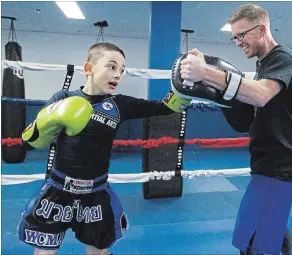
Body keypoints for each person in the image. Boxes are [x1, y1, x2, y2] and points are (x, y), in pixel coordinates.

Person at [18, 42, 191, 255]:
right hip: (58, 190)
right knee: (44, 252)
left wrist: (185, 88)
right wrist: (51, 119)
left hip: (95, 192)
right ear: (89, 69)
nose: (118, 75)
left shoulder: (120, 104)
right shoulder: (63, 98)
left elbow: (164, 107)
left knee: (99, 251)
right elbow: (29, 142)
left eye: (122, 70)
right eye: (111, 67)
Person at [176, 4, 292, 255]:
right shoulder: (263, 64)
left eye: (242, 34)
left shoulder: (282, 58)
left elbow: (261, 95)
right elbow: (246, 118)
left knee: (260, 240)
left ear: (263, 29)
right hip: (265, 161)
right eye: (234, 36)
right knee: (257, 230)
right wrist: (216, 92)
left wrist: (207, 73)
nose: (238, 42)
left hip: (282, 164)